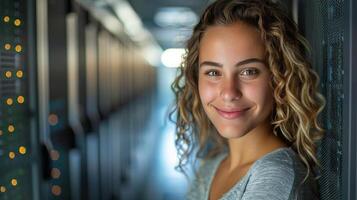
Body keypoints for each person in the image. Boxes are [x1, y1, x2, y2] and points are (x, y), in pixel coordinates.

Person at [170, 0, 326, 199]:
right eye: (213, 72)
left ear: (279, 77)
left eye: (248, 71)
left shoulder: (277, 179)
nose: (228, 92)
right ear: (195, 78)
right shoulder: (211, 167)